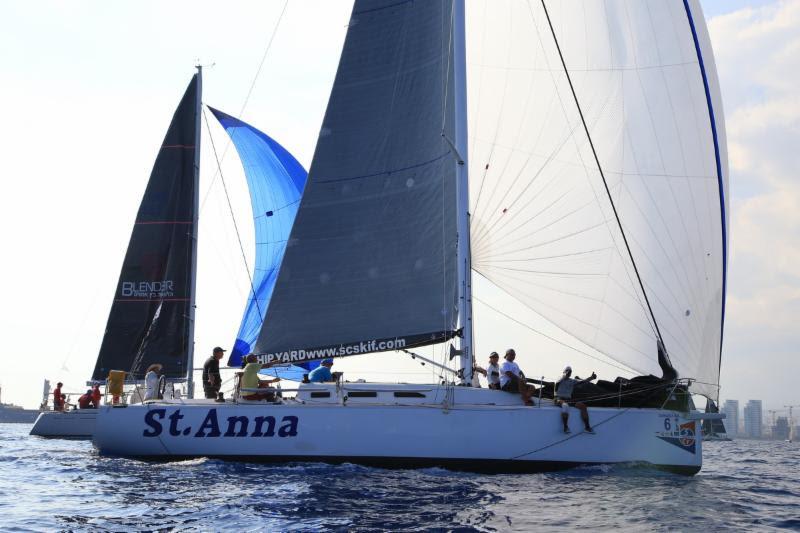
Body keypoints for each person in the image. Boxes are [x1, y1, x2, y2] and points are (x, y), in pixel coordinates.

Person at [555, 365, 596, 434]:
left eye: (570, 372)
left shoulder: (572, 381)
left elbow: (583, 381)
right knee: (565, 406)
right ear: (564, 372)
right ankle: (565, 427)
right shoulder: (560, 378)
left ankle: (587, 427)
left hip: (569, 399)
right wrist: (566, 373)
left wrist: (591, 378)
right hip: (558, 399)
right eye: (567, 371)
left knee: (583, 406)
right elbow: (563, 376)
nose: (569, 373)